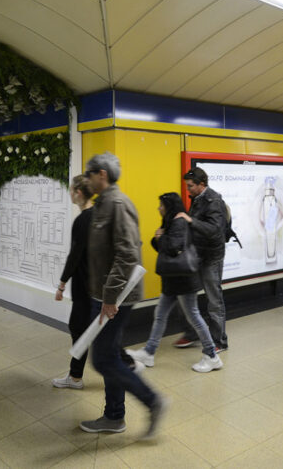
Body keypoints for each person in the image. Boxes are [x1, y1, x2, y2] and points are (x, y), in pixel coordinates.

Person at [78, 152, 166, 440]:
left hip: (115, 297)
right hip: (103, 295)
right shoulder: (103, 204)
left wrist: (110, 298)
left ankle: (152, 401)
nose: (86, 180)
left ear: (101, 175)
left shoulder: (117, 203)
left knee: (103, 360)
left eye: (89, 174)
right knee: (110, 354)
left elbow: (128, 254)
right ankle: (114, 416)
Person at [128, 193, 223, 373]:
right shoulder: (170, 221)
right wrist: (158, 238)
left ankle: (212, 356)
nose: (158, 208)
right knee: (160, 314)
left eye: (161, 205)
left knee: (193, 315)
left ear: (169, 206)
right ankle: (149, 352)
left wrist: (161, 237)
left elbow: (174, 247)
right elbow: (164, 248)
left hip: (183, 278)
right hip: (173, 278)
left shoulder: (178, 222)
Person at [173, 166, 229, 352]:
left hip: (212, 256)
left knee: (214, 300)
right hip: (197, 254)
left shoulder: (213, 200)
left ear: (201, 184)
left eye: (190, 186)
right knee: (186, 293)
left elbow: (215, 230)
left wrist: (191, 221)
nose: (187, 190)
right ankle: (191, 333)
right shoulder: (197, 199)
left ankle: (219, 341)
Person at [52, 175, 95, 390]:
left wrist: (61, 284)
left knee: (78, 328)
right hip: (95, 282)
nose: (69, 193)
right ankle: (75, 374)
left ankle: (75, 377)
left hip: (84, 284)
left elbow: (75, 255)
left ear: (78, 192)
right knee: (87, 328)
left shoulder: (82, 220)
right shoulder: (97, 215)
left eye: (71, 190)